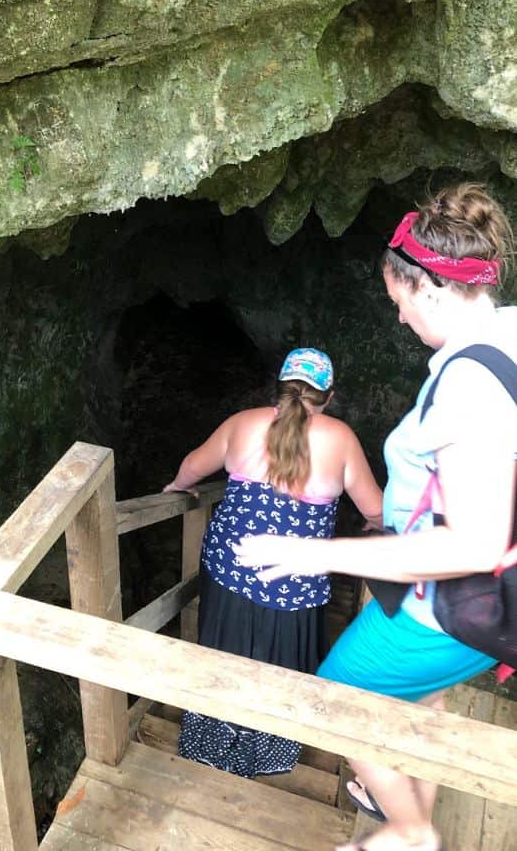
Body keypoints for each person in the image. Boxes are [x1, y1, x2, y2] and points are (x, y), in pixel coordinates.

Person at [234, 182, 516, 851]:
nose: (397, 319)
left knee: (336, 699)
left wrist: (313, 553)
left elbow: (472, 544)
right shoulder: (507, 329)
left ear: (431, 290)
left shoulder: (470, 385)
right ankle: (403, 795)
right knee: (416, 694)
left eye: (398, 302)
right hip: (441, 592)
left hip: (443, 599)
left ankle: (411, 832)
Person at [163, 347, 382, 778]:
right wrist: (375, 527)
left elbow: (192, 466)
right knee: (282, 664)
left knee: (222, 654)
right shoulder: (340, 438)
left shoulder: (241, 423)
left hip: (229, 572)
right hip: (295, 583)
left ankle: (211, 738)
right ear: (329, 395)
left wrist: (177, 486)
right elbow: (374, 508)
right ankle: (268, 750)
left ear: (278, 387)